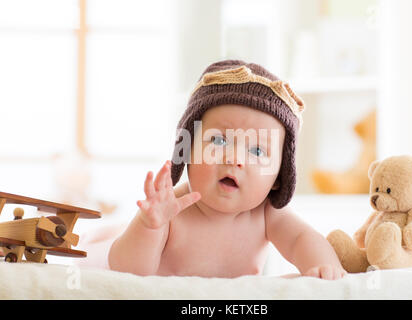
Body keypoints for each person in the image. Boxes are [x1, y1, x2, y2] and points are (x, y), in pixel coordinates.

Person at [102, 60, 345, 279]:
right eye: (218, 141)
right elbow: (127, 273)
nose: (235, 159)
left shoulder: (265, 215)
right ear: (186, 149)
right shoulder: (171, 210)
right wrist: (148, 225)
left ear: (278, 177)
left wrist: (323, 267)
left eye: (257, 151)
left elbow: (301, 239)